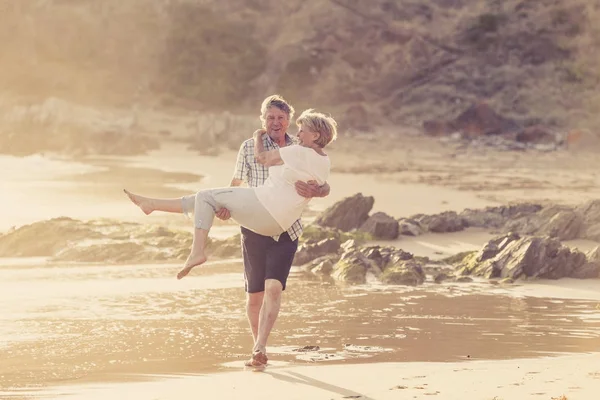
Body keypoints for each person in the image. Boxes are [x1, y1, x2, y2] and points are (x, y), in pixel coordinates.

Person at [123, 102, 337, 365]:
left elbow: (321, 183)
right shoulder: (252, 147)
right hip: (255, 217)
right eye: (270, 117)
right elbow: (236, 184)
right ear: (263, 119)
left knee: (273, 288)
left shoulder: (297, 147)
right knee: (254, 294)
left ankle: (194, 249)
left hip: (281, 225)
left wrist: (318, 190)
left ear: (290, 121)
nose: (276, 122)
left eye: (282, 117)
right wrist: (224, 207)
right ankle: (153, 204)